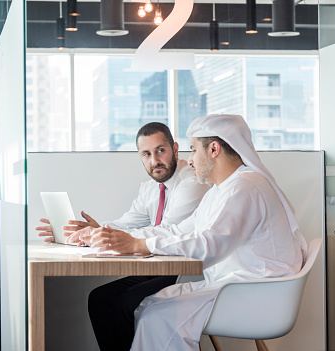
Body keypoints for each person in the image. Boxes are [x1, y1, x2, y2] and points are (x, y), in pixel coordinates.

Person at [87, 114, 307, 351]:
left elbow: (210, 245)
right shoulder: (220, 190)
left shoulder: (245, 187)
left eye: (192, 150)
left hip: (255, 293)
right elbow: (180, 229)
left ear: (213, 149)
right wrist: (129, 240)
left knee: (155, 316)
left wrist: (140, 245)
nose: (189, 160)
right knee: (146, 305)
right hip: (236, 286)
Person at [35, 122, 210, 351]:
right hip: (160, 268)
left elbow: (168, 230)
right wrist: (91, 231)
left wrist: (102, 235)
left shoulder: (191, 183)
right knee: (100, 299)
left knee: (125, 302)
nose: (154, 160)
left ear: (175, 149)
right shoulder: (149, 188)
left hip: (187, 271)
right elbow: (126, 223)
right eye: (146, 154)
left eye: (160, 150)